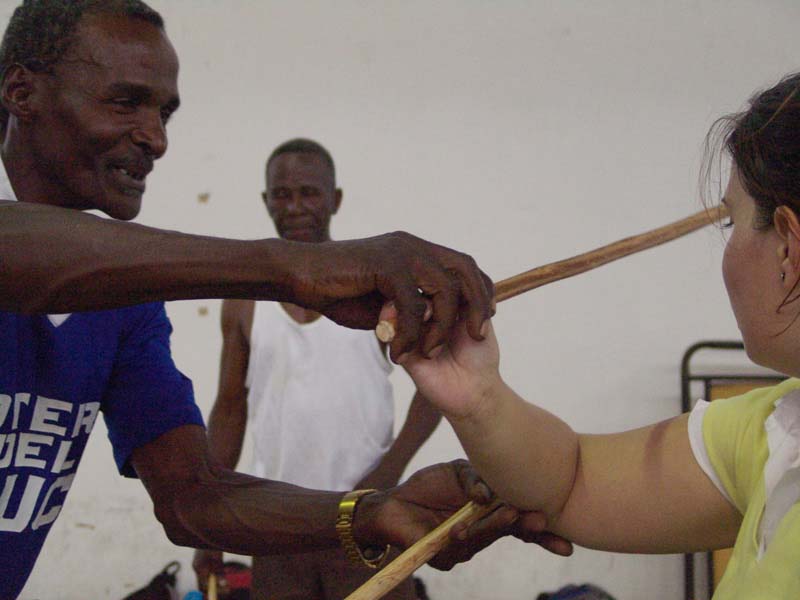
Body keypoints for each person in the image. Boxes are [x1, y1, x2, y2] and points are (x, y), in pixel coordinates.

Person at [0, 2, 569, 598]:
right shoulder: (145, 278)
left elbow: (192, 497)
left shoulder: (123, 303)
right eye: (125, 102)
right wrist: (287, 266)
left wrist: (372, 510)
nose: (157, 139)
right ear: (20, 90)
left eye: (165, 112)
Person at [399, 71, 800, 599]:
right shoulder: (776, 432)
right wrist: (478, 396)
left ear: (787, 247)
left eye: (731, 223)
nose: (726, 253)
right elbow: (572, 479)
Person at [192, 138, 442, 599]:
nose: (296, 207)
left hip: (370, 518)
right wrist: (207, 519)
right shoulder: (245, 301)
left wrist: (388, 473)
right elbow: (229, 409)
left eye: (309, 193)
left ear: (335, 200)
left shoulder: (373, 292)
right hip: (275, 524)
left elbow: (434, 391)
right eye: (282, 195)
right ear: (266, 202)